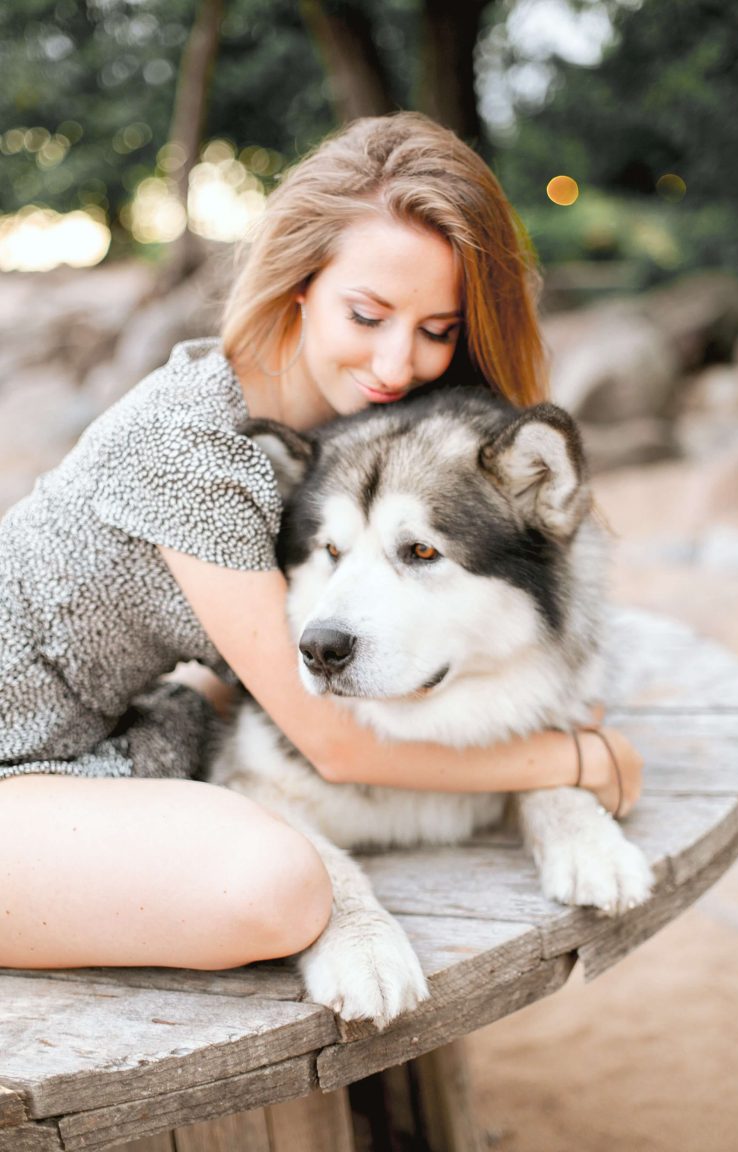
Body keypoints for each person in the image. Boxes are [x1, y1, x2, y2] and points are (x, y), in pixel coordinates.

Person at [0, 112, 642, 972]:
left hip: (82, 744)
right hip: (16, 754)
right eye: (367, 313)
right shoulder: (194, 447)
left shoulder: (346, 444)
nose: (397, 363)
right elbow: (332, 740)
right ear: (302, 283)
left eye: (436, 329)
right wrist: (575, 758)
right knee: (274, 886)